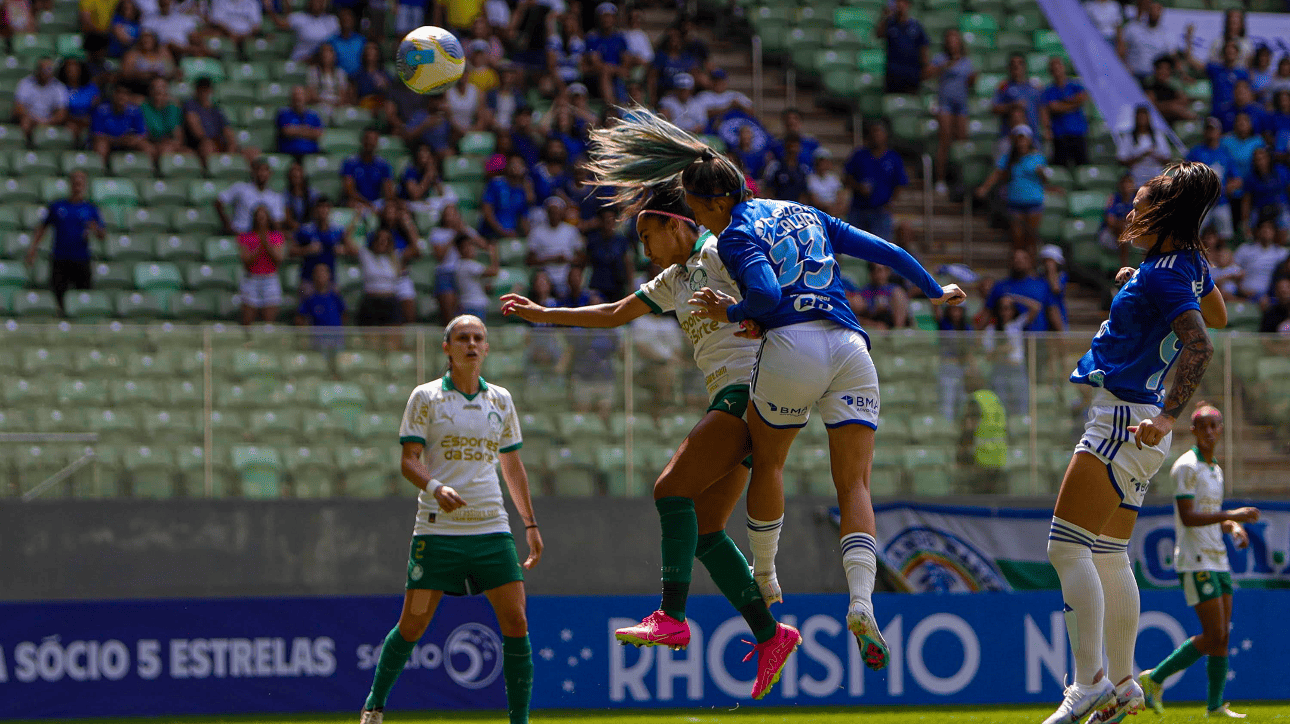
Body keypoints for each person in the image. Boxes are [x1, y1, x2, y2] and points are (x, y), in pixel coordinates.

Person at [583, 108, 966, 677]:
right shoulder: (803, 212)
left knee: (756, 467)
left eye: (688, 211)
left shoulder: (727, 239)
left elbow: (761, 294)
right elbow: (880, 248)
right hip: (853, 347)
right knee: (839, 486)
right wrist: (933, 290)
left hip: (778, 363)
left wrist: (734, 310)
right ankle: (820, 614)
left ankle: (752, 585)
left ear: (702, 209)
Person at [500, 183, 800, 700]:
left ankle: (672, 616)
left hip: (750, 393)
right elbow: (614, 313)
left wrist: (752, 314)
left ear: (675, 224)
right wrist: (545, 314)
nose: (642, 247)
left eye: (647, 234)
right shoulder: (674, 279)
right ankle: (772, 635)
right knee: (705, 531)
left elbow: (773, 290)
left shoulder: (719, 249)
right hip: (734, 398)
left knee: (669, 491)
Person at [1043, 162, 1227, 724]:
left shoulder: (1166, 273)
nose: (1129, 211)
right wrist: (1142, 282)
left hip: (1125, 419)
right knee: (1108, 552)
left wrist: (1172, 417)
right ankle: (1125, 683)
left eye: (1140, 202)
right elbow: (1216, 314)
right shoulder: (1183, 265)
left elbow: (1199, 345)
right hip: (1139, 423)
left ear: (1162, 215)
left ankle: (1089, 683)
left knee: (1066, 548)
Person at [358, 315, 540, 724]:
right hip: (439, 532)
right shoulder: (425, 397)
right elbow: (409, 461)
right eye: (463, 338)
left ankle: (520, 721)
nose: (471, 344)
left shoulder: (501, 400)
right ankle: (374, 704)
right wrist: (436, 487)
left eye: (479, 338)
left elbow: (512, 466)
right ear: (447, 348)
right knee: (412, 625)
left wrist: (529, 523)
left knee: (517, 621)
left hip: (493, 529)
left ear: (487, 348)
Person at [1138, 404, 1258, 720]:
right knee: (1213, 634)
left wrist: (1233, 528)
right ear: (1192, 430)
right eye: (1202, 426)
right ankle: (1155, 678)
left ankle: (1215, 707)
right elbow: (1189, 517)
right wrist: (1232, 515)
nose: (1208, 432)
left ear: (1220, 430)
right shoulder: (1186, 467)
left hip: (1218, 559)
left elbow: (1210, 515)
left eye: (1213, 426)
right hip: (1195, 560)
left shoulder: (1215, 469)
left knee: (1222, 637)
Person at [25, 170, 105, 313]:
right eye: (75, 182)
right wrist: (33, 249)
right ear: (70, 184)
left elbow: (102, 235)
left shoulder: (90, 209)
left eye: (80, 183)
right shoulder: (58, 206)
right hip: (60, 258)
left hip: (81, 258)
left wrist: (96, 229)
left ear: (84, 185)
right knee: (58, 296)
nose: (77, 186)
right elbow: (42, 227)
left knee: (83, 297)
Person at [976, 125, 1049, 253]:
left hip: (1034, 203)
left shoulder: (1037, 157)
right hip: (1015, 203)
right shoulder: (1009, 158)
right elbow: (997, 174)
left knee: (1031, 239)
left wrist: (1041, 173)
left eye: (1024, 139)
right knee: (1017, 239)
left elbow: (1045, 180)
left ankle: (1031, 269)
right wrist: (984, 188)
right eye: (1018, 139)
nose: (1021, 143)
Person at [926, 29, 974, 195]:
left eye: (955, 39)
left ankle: (960, 180)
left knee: (962, 142)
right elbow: (927, 73)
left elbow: (970, 84)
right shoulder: (941, 59)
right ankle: (940, 179)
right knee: (945, 139)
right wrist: (946, 65)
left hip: (961, 105)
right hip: (945, 104)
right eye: (949, 39)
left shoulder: (967, 61)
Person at [844, 121, 908, 242]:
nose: (876, 136)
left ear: (886, 135)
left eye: (879, 132)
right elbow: (846, 178)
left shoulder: (893, 158)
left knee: (880, 247)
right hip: (858, 209)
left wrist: (892, 202)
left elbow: (901, 182)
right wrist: (858, 187)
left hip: (881, 211)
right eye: (873, 132)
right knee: (855, 247)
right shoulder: (859, 155)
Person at [986, 248, 1064, 332]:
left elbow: (1053, 311)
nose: (1018, 261)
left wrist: (1061, 336)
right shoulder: (1000, 286)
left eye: (1023, 258)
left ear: (1030, 261)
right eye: (1015, 258)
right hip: (1010, 338)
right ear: (1010, 262)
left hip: (1037, 337)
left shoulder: (1042, 285)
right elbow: (987, 312)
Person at [292, 196, 359, 296]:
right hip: (308, 279)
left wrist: (343, 250)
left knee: (334, 305)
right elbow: (291, 251)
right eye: (319, 207)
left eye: (326, 207)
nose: (323, 210)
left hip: (330, 280)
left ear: (330, 210)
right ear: (314, 210)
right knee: (304, 305)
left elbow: (354, 251)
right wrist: (307, 250)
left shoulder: (337, 231)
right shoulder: (305, 230)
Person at [1186, 117, 1236, 241]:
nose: (1210, 133)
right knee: (1195, 236)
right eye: (1208, 130)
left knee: (1225, 237)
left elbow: (1236, 178)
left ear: (1219, 132)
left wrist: (1228, 188)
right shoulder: (1196, 153)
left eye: (1213, 130)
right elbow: (1185, 175)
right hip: (1201, 202)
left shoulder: (1225, 153)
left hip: (1221, 201)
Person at [525, 197, 584, 297]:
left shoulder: (571, 230)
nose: (554, 215)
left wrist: (567, 259)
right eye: (551, 212)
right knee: (541, 280)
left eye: (557, 212)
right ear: (547, 213)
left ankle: (577, 305)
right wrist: (551, 259)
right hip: (546, 272)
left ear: (562, 213)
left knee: (576, 276)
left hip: (567, 270)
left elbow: (581, 258)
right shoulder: (537, 231)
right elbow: (529, 260)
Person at [237, 205, 286, 325]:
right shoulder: (246, 237)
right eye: (259, 217)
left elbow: (278, 258)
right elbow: (246, 261)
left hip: (270, 278)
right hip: (252, 278)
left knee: (269, 322)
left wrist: (266, 242)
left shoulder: (276, 237)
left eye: (263, 217)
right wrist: (260, 246)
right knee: (247, 321)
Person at [992, 53, 1044, 157]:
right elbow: (995, 108)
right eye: (1013, 64)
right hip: (1009, 136)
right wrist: (1012, 106)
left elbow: (1042, 109)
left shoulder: (1034, 87)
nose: (1016, 67)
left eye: (1019, 64)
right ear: (1009, 68)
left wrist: (1046, 129)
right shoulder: (1004, 87)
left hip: (1032, 137)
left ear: (1024, 67)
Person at [216, 158, 286, 234]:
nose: (261, 173)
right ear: (253, 171)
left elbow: (277, 222)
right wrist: (227, 225)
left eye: (265, 170)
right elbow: (219, 202)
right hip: (240, 232)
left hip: (261, 238)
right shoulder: (240, 188)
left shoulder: (275, 197)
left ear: (270, 173)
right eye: (258, 169)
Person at [1042, 57, 1089, 168]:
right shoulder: (1049, 90)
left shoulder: (1074, 85)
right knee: (1061, 167)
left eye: (1058, 67)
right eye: (1053, 69)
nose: (1057, 71)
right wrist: (1073, 104)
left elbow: (1083, 98)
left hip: (1078, 133)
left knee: (1082, 167)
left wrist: (1062, 102)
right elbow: (1053, 107)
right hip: (1060, 135)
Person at [91, 83, 153, 165]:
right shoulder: (101, 110)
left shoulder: (135, 111)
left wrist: (134, 140)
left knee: (147, 147)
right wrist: (117, 140)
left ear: (129, 97)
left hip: (128, 143)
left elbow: (143, 134)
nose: (122, 97)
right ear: (113, 95)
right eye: (119, 93)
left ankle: (147, 173)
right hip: (110, 142)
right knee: (101, 146)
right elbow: (96, 135)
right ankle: (102, 172)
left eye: (125, 94)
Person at [874, 0, 928, 95]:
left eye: (903, 2)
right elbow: (878, 34)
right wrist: (885, 17)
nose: (900, 5)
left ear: (908, 5)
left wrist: (923, 71)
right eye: (898, 2)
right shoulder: (890, 24)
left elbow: (923, 51)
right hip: (893, 76)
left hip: (912, 76)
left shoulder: (916, 26)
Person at [184, 77, 241, 164]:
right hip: (199, 144)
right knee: (208, 146)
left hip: (218, 142)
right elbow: (197, 131)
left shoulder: (216, 109)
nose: (204, 93)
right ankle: (212, 174)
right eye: (202, 89)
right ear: (196, 90)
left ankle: (228, 167)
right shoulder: (190, 106)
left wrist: (231, 143)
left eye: (206, 89)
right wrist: (209, 140)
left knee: (249, 151)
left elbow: (227, 130)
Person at [1117, 1, 1177, 83]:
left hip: (1154, 79)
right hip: (1132, 74)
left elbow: (1172, 57)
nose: (1154, 13)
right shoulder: (1132, 28)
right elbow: (1121, 50)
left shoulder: (1167, 35)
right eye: (1152, 10)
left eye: (1157, 10)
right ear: (1147, 11)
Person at [15, 58, 69, 145]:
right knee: (25, 123)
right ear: (38, 69)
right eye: (42, 68)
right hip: (31, 119)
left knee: (69, 128)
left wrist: (48, 121)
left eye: (48, 69)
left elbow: (62, 113)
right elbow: (19, 108)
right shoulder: (26, 83)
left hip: (50, 120)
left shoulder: (59, 87)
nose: (45, 72)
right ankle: (27, 149)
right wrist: (36, 119)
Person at [1233, 215, 1288, 299]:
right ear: (1257, 231)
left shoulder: (1281, 253)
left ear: (1274, 232)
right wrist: (1238, 274)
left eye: (1269, 228)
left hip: (1270, 296)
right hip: (1244, 291)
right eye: (1263, 228)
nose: (1266, 231)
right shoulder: (1245, 249)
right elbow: (1233, 268)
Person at [296, 263, 347, 352]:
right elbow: (300, 318)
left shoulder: (335, 297)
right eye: (318, 272)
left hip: (336, 336)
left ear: (329, 275)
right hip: (318, 339)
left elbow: (344, 314)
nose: (321, 275)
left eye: (323, 272)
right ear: (313, 276)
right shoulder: (310, 299)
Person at [342, 127, 394, 213]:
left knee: (392, 210)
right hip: (357, 202)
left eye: (373, 140)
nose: (370, 142)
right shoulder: (350, 163)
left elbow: (388, 192)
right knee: (353, 205)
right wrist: (367, 204)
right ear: (362, 140)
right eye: (367, 139)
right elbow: (349, 190)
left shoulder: (384, 164)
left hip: (377, 202)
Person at [481, 155, 534, 239]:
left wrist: (530, 238)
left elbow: (524, 218)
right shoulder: (496, 183)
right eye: (513, 164)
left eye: (519, 164)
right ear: (507, 167)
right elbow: (487, 211)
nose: (516, 167)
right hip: (491, 232)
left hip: (512, 234)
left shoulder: (523, 190)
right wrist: (502, 231)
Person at [1117, 104, 1172, 187]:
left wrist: (1153, 155)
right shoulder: (1129, 137)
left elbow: (1167, 159)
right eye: (1140, 118)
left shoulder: (1158, 136)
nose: (1142, 120)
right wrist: (1142, 155)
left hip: (1155, 175)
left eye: (1144, 117)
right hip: (1136, 176)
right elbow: (1122, 160)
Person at [357, 227, 402, 327]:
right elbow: (347, 239)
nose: (382, 242)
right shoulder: (365, 254)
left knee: (393, 338)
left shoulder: (394, 257)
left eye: (386, 239)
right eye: (379, 239)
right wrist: (358, 216)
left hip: (390, 301)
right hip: (371, 301)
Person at [852, 263, 910, 330]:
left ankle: (897, 334)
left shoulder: (895, 290)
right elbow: (856, 318)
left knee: (898, 295)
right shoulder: (865, 292)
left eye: (880, 270)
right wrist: (874, 324)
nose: (877, 274)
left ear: (888, 271)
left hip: (891, 325)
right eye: (873, 270)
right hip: (873, 326)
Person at [454, 233, 499, 318]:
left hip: (471, 306)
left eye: (471, 246)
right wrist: (494, 253)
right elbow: (494, 271)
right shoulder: (469, 265)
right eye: (466, 246)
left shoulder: (461, 265)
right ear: (459, 250)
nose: (470, 249)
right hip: (474, 307)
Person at [1098, 174, 1138, 269]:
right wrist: (1125, 225)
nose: (1126, 186)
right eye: (1124, 183)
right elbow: (1110, 222)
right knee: (1122, 230)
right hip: (1109, 236)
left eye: (1129, 183)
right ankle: (1124, 268)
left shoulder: (1137, 200)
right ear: (1119, 185)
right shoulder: (1113, 198)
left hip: (1131, 234)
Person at [306, 43, 353, 122]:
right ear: (320, 55)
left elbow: (343, 96)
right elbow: (312, 95)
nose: (326, 55)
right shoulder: (313, 71)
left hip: (337, 105)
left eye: (329, 52)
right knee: (321, 111)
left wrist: (337, 103)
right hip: (320, 104)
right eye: (324, 52)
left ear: (334, 56)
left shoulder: (340, 73)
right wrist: (327, 101)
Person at [1144, 56, 1195, 124]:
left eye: (1166, 69)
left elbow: (1184, 100)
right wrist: (1171, 106)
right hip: (1156, 120)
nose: (1163, 72)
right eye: (1160, 68)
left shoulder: (1172, 84)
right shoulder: (1150, 84)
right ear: (1155, 70)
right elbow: (1151, 105)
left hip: (1173, 119)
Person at [276, 85, 324, 157]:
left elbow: (318, 133)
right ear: (291, 97)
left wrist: (296, 130)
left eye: (301, 95)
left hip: (311, 155)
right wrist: (308, 131)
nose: (298, 98)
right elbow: (287, 131)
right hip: (290, 155)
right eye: (295, 95)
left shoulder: (314, 115)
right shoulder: (284, 113)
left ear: (306, 97)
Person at [141, 77, 183, 156]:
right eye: (156, 92)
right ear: (150, 92)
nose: (158, 97)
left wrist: (172, 143)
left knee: (167, 150)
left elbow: (178, 137)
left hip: (167, 144)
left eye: (162, 93)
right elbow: (143, 135)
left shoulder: (173, 108)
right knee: (148, 149)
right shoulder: (143, 107)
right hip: (151, 143)